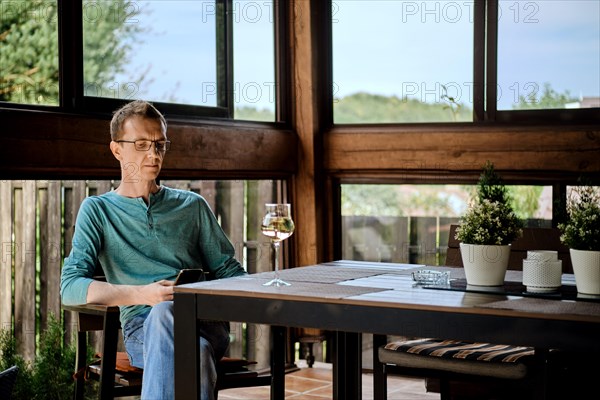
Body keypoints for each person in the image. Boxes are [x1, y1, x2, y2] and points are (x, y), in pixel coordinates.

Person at [60, 100, 246, 400]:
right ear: (117, 149)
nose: (153, 154)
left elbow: (230, 270)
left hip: (203, 323)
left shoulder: (192, 206)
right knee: (183, 341)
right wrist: (142, 294)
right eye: (142, 144)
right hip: (141, 329)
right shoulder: (98, 211)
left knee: (172, 320)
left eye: (160, 144)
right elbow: (69, 288)